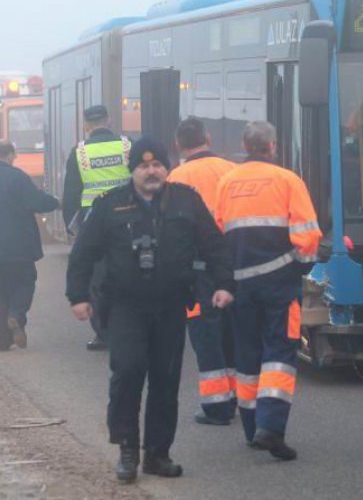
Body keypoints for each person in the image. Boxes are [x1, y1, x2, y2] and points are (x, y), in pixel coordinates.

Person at [66, 136, 234, 484]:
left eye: (157, 164)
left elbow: (215, 245)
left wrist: (223, 284)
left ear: (167, 168)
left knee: (165, 379)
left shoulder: (186, 202)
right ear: (133, 172)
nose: (151, 171)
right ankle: (127, 449)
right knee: (127, 373)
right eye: (144, 166)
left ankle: (157, 454)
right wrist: (77, 296)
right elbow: (83, 253)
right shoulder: (109, 205)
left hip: (171, 305)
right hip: (125, 306)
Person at [215, 121, 322, 461]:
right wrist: (301, 266)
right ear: (273, 146)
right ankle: (271, 428)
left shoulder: (227, 181)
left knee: (247, 356)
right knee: (279, 352)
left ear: (246, 146)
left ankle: (251, 430)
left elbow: (217, 235)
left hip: (239, 287)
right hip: (279, 286)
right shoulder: (288, 180)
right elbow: (308, 238)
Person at [166, 117, 237, 426]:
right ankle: (239, 395)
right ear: (208, 137)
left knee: (205, 334)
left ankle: (217, 406)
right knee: (234, 333)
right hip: (234, 262)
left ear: (178, 145)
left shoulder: (176, 177)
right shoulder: (231, 169)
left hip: (198, 270)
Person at [62, 104, 131, 351]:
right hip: (127, 218)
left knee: (98, 278)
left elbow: (71, 193)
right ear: (109, 120)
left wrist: (71, 226)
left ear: (87, 125)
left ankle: (103, 333)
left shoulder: (79, 153)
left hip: (93, 222)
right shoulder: (126, 146)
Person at [0, 141, 59, 350]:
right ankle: (16, 314)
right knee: (25, 282)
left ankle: (3, 339)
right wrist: (56, 202)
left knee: (2, 290)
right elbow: (36, 202)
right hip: (19, 247)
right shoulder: (17, 177)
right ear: (10, 155)